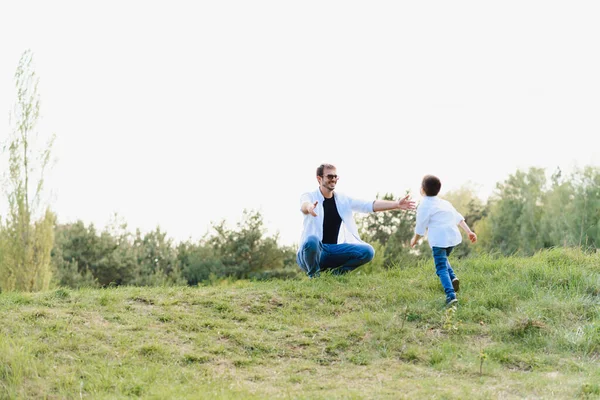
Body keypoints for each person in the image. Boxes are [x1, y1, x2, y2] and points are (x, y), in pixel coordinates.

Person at [297, 163, 416, 278]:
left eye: (335, 176)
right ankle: (314, 276)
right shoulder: (310, 196)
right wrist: (309, 207)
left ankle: (336, 276)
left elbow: (368, 205)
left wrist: (396, 204)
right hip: (309, 253)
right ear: (319, 178)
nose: (333, 179)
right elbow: (304, 204)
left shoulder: (342, 200)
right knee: (312, 240)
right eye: (329, 176)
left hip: (331, 251)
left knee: (368, 251)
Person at [409, 174, 477, 307]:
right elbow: (458, 218)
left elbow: (420, 226)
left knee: (440, 268)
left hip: (439, 240)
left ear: (422, 189)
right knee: (443, 259)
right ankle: (453, 278)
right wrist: (469, 231)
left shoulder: (424, 206)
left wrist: (415, 239)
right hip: (451, 239)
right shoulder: (445, 203)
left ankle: (451, 295)